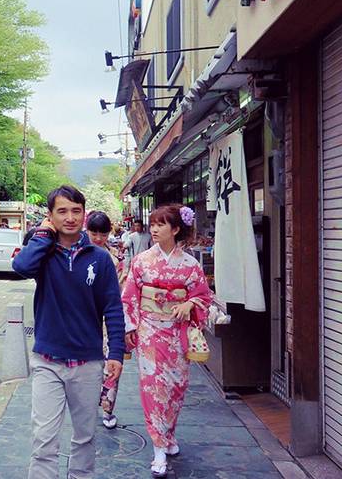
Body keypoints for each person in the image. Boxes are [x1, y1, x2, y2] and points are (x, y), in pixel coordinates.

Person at [12, 185, 125, 479]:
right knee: (44, 440)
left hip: (87, 362)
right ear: (50, 216)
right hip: (47, 361)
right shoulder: (43, 254)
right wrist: (43, 234)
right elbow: (21, 266)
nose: (70, 218)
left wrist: (116, 353)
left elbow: (113, 307)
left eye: (76, 211)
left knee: (85, 437)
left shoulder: (100, 258)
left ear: (84, 214)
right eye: (62, 211)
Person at [121, 205, 213, 478]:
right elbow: (129, 296)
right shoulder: (141, 261)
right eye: (153, 224)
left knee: (175, 387)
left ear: (175, 229)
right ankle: (159, 448)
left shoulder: (190, 265)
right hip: (149, 331)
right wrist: (130, 327)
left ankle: (168, 435)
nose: (154, 228)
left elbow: (203, 296)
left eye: (161, 224)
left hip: (176, 334)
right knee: (153, 388)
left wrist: (190, 304)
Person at [86, 210, 123, 431]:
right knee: (88, 367)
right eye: (94, 233)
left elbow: (120, 294)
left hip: (109, 318)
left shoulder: (116, 257)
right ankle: (88, 407)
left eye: (103, 234)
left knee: (112, 365)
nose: (99, 238)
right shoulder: (77, 253)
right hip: (85, 319)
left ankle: (108, 409)